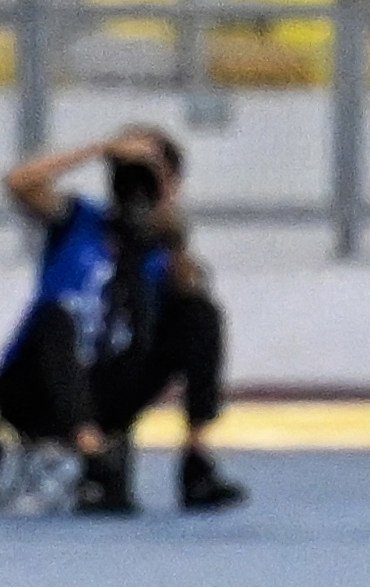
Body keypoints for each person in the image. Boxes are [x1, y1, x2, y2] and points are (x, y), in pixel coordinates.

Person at [0, 127, 242, 516]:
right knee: (57, 316)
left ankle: (196, 463)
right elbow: (18, 183)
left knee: (200, 314)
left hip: (106, 387)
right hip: (33, 387)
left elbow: (191, 295)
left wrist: (168, 223)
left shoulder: (164, 247)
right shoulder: (78, 219)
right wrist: (100, 147)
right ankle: (95, 459)